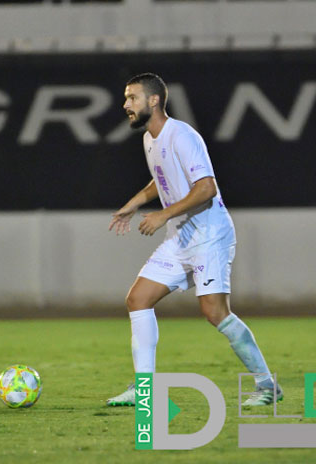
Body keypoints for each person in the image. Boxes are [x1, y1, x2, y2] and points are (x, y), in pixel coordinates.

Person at [106, 72, 282, 407]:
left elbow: (206, 187)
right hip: (182, 236)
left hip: (209, 234)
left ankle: (266, 385)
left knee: (215, 312)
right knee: (138, 299)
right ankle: (144, 389)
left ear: (154, 100)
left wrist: (162, 215)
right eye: (127, 98)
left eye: (132, 98)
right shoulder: (150, 139)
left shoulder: (182, 135)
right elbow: (162, 178)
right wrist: (135, 203)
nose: (126, 104)